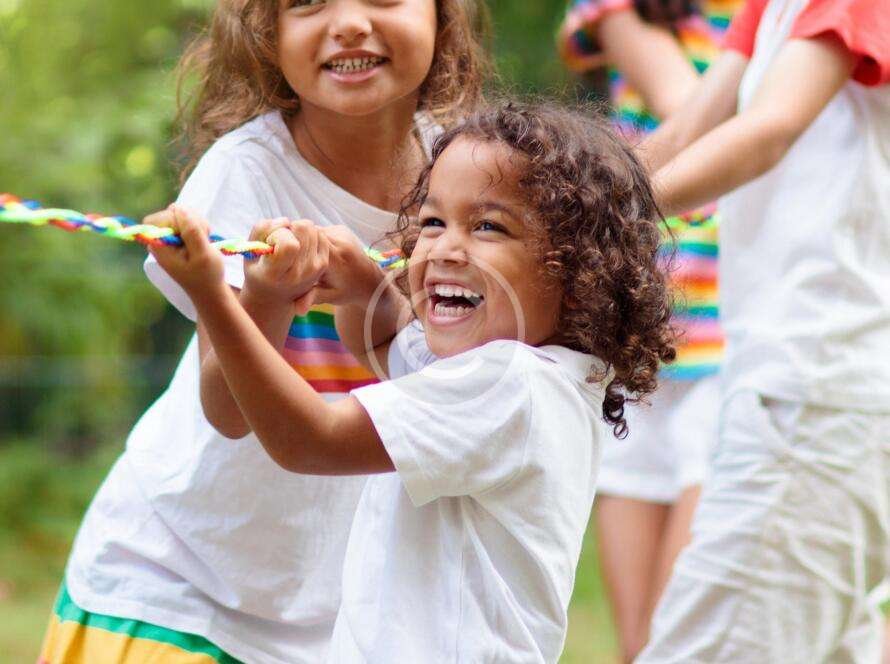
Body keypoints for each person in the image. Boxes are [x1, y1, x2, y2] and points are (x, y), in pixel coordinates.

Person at [145, 101, 678, 663]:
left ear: (577, 272)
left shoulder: (512, 386)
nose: (445, 248)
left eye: (488, 226)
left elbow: (308, 439)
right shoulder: (520, 375)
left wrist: (215, 295)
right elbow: (383, 346)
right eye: (432, 222)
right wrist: (362, 288)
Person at [38, 1, 487, 662]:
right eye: (307, 1)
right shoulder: (245, 173)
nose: (349, 22)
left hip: (330, 607)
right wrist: (267, 296)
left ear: (443, 16)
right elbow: (226, 411)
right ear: (268, 35)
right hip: (179, 581)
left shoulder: (465, 172)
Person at [630, 0, 890, 661]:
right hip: (786, 385)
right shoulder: (770, 7)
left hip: (817, 389)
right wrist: (555, 205)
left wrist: (596, 223)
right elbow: (688, 128)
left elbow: (770, 129)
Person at [556, 1, 740, 659]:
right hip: (636, 345)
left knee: (683, 637)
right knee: (639, 644)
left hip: (734, 347)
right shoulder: (623, 7)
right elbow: (690, 107)